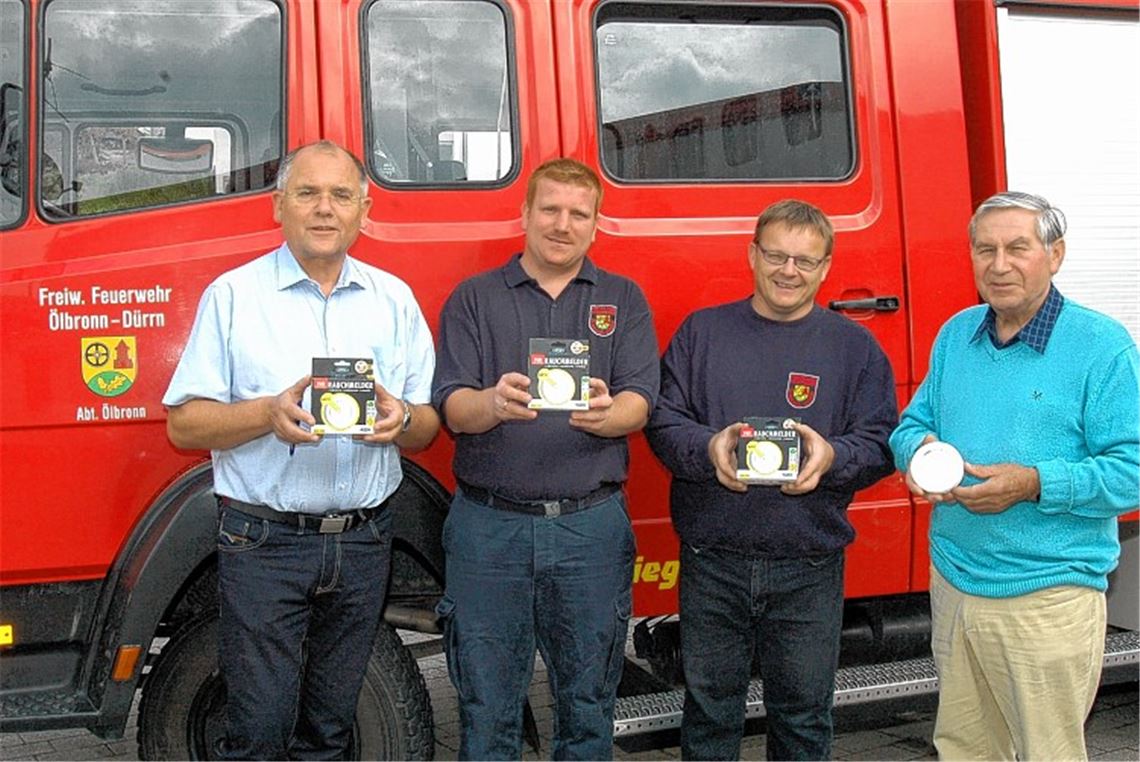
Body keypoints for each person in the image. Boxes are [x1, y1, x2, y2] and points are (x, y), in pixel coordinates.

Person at [163, 140, 440, 759]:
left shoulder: (394, 300)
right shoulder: (234, 296)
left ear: (364, 211)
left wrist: (402, 419)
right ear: (278, 206)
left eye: (341, 195)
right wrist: (266, 415)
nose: (324, 209)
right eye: (307, 193)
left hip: (365, 541)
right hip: (264, 542)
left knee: (331, 732)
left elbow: (426, 428)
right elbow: (184, 425)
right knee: (257, 730)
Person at [889, 191, 1140, 761]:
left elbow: (1133, 471)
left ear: (1055, 255)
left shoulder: (1101, 347)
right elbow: (911, 424)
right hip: (954, 584)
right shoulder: (958, 334)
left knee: (1045, 753)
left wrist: (1033, 483)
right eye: (985, 249)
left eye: (1017, 248)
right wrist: (919, 455)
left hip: (1047, 596)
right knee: (963, 749)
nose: (998, 265)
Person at [646, 199, 897, 760]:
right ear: (752, 255)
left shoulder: (853, 347)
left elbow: (883, 440)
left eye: (805, 261)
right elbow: (662, 421)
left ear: (826, 267)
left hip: (808, 562)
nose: (790, 271)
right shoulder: (702, 333)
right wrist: (708, 449)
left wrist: (832, 456)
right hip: (714, 559)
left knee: (805, 717)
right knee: (709, 713)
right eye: (777, 255)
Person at [431, 158, 659, 760]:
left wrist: (613, 415)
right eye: (550, 210)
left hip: (590, 527)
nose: (563, 225)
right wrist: (492, 404)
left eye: (578, 214)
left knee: (588, 710)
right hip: (489, 529)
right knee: (486, 712)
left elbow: (640, 399)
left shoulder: (623, 299)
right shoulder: (475, 298)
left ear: (595, 223)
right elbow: (452, 409)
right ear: (525, 214)